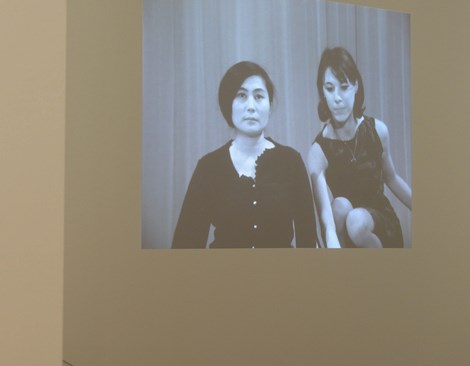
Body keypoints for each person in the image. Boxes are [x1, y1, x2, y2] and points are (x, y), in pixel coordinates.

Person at [172, 61, 317, 248]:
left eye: (259, 96)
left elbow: (308, 242)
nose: (251, 106)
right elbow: (185, 245)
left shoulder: (291, 162)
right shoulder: (208, 167)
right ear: (228, 104)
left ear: (269, 104)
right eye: (241, 95)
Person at [307, 47, 412, 248]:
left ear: (355, 86)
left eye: (344, 87)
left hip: (380, 227)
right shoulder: (318, 151)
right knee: (340, 206)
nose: (337, 98)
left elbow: (392, 178)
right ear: (323, 92)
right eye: (330, 89)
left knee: (356, 220)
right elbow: (325, 217)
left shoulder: (377, 131)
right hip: (344, 234)